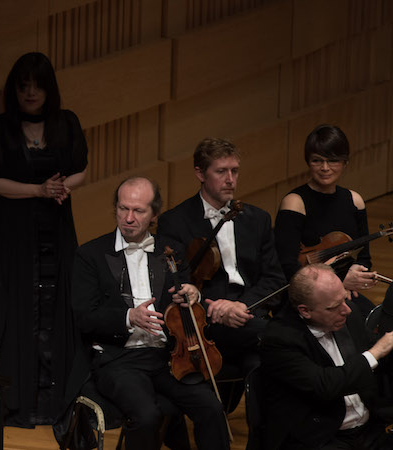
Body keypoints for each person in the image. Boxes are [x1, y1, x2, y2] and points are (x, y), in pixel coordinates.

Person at [65, 176, 230, 450]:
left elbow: (184, 298)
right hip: (118, 360)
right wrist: (128, 317)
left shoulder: (171, 251)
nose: (128, 218)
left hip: (168, 358)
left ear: (154, 214)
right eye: (123, 208)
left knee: (211, 408)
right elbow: (83, 317)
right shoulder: (90, 254)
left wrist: (193, 294)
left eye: (138, 211)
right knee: (146, 416)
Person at [0, 51, 88, 426]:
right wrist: (39, 190)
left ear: (48, 89)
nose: (29, 93)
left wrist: (60, 187)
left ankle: (55, 401)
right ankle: (17, 401)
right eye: (23, 86)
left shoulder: (66, 122)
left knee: (56, 306)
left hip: (54, 229)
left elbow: (82, 171)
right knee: (15, 306)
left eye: (36, 86)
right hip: (10, 233)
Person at [157, 138, 285, 377]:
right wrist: (213, 307)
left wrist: (242, 306)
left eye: (234, 171)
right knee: (283, 339)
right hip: (207, 321)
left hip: (248, 313)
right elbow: (174, 284)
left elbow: (274, 279)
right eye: (221, 171)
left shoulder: (258, 219)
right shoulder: (175, 222)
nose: (230, 179)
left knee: (259, 367)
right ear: (200, 173)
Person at [260, 264, 393, 449]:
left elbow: (379, 359)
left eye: (343, 299)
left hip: (369, 430)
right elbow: (325, 385)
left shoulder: (347, 315)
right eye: (334, 307)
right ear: (305, 311)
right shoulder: (279, 339)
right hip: (320, 437)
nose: (346, 310)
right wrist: (376, 352)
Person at [275, 124, 377, 317]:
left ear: (345, 162)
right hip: (307, 298)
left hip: (345, 293)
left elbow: (364, 257)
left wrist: (357, 272)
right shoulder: (295, 202)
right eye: (317, 161)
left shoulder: (354, 201)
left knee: (377, 319)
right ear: (308, 162)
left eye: (333, 161)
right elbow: (287, 266)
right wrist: (339, 282)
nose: (325, 168)